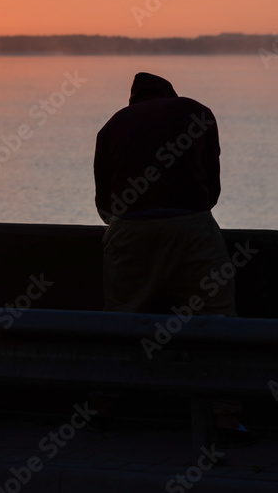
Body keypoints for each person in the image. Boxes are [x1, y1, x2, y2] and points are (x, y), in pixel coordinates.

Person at [92, 72, 254, 446]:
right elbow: (211, 187)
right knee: (217, 320)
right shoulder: (196, 112)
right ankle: (226, 418)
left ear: (133, 100)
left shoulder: (112, 125)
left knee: (117, 321)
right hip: (190, 228)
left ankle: (101, 409)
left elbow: (104, 201)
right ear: (170, 94)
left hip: (129, 232)